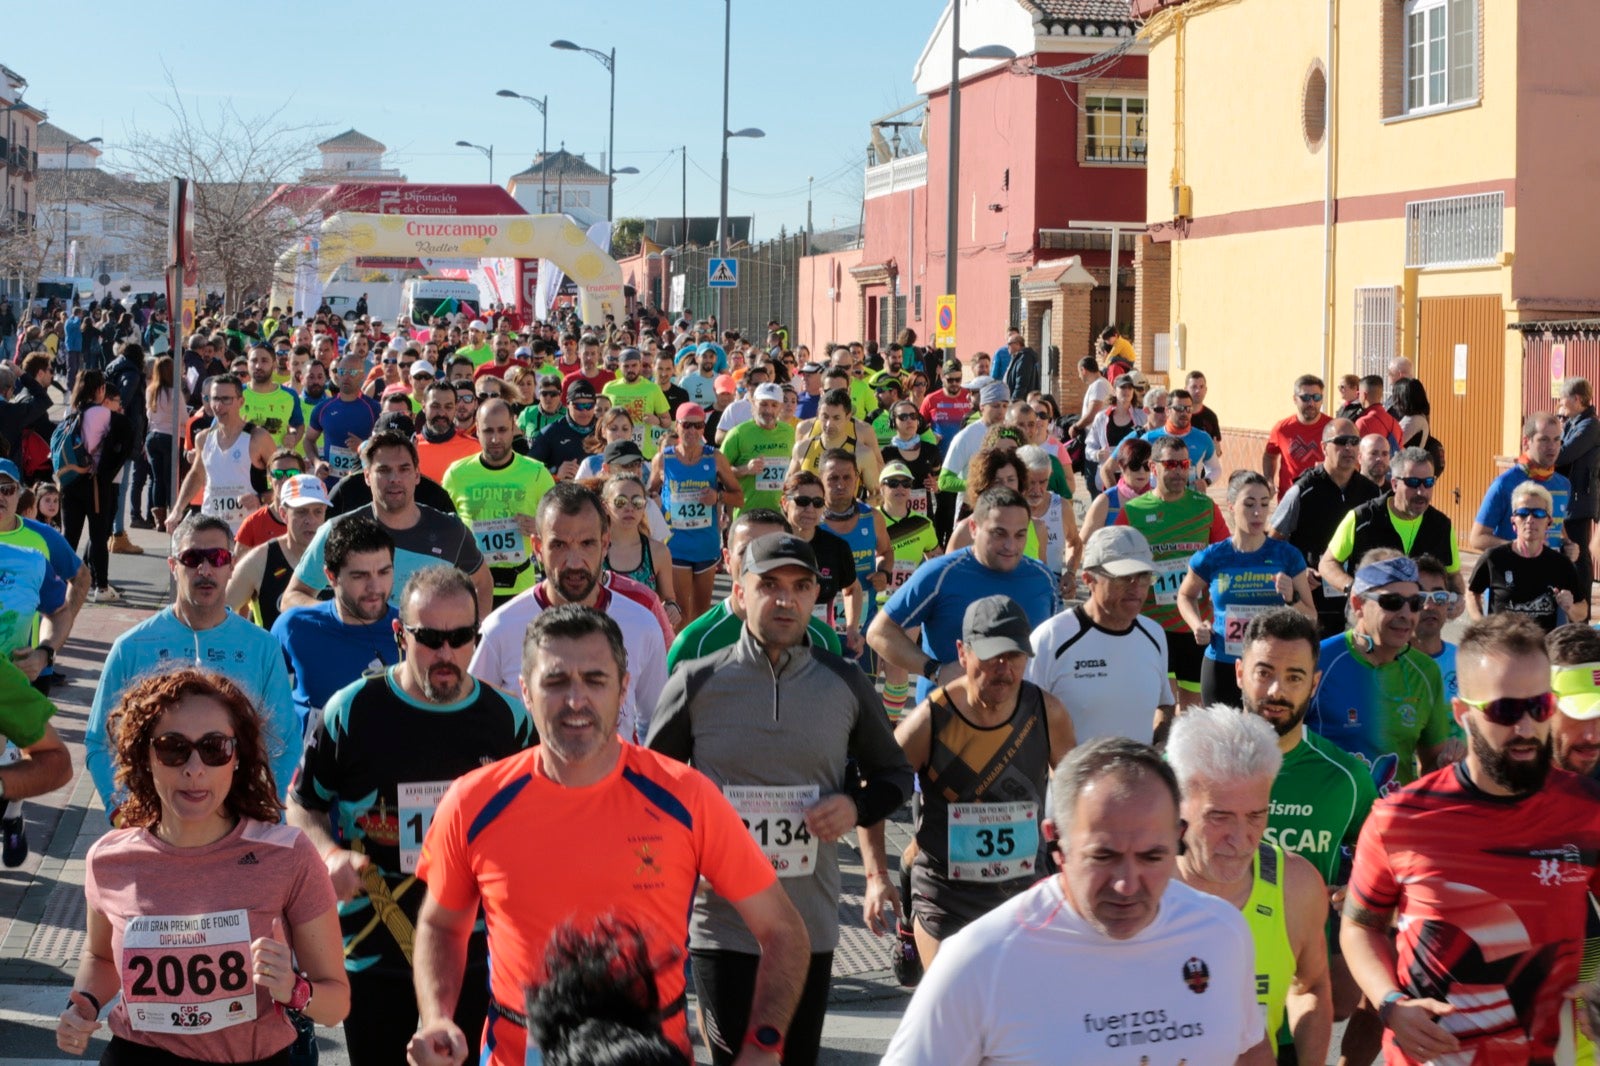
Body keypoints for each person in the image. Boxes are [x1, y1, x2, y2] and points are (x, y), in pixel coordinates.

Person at [407, 605, 810, 1066]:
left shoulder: (685, 796)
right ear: (525, 692)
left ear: (623, 691)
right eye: (555, 682)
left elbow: (782, 929)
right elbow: (441, 925)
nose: (575, 700)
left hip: (649, 1051)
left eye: (595, 680)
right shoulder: (472, 801)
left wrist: (763, 1043)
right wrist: (436, 1016)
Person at [648, 533, 913, 1066]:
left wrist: (853, 808)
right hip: (721, 922)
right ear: (740, 593)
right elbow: (652, 794)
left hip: (809, 922)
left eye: (800, 586)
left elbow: (895, 776)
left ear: (818, 595)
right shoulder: (696, 681)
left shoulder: (844, 682)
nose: (785, 599)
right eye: (768, 585)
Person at [880, 737, 1274, 1065]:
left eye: (1153, 857)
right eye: (1103, 856)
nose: (1127, 885)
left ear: (1178, 838)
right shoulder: (982, 959)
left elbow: (1249, 1049)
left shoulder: (1222, 931)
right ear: (1057, 843)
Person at [287, 566, 533, 1066]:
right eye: (429, 638)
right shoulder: (352, 710)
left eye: (460, 637)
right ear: (400, 635)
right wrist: (329, 853)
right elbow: (302, 802)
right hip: (374, 942)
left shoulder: (509, 721)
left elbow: (540, 826)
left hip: (475, 946)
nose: (445, 654)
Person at [1341, 614, 1600, 1065]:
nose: (1525, 728)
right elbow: (1361, 926)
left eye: (1538, 707)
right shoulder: (1400, 817)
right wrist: (1389, 1003)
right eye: (1504, 710)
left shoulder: (1586, 809)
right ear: (1463, 714)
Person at [57, 669, 349, 1062]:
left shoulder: (287, 854)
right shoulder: (109, 859)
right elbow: (102, 958)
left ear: (237, 757)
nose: (194, 769)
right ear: (145, 757)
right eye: (173, 749)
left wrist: (295, 989)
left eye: (214, 749)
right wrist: (84, 1006)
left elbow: (337, 1003)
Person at [861, 595, 1074, 970]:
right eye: (991, 656)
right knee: (953, 1009)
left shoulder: (1047, 712)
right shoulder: (930, 721)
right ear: (962, 653)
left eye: (1015, 657)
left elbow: (1076, 792)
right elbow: (872, 793)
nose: (1004, 670)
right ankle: (910, 930)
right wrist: (876, 876)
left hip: (1023, 894)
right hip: (946, 898)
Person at [1237, 607, 1381, 1064]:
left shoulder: (1347, 778)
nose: (1277, 690)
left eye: (1295, 676)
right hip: (1200, 1005)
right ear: (1240, 673)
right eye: (1264, 672)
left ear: (1314, 683)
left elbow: (1381, 863)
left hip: (1297, 1007)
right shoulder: (1190, 767)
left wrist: (1354, 896)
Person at [88, 515, 298, 816]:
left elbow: (285, 741)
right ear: (174, 567)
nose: (205, 569)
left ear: (231, 566)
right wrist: (125, 813)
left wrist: (263, 814)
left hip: (236, 822)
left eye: (217, 558)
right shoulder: (131, 647)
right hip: (158, 825)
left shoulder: (262, 647)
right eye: (192, 558)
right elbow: (99, 741)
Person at [1167, 705, 1333, 1065]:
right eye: (1219, 817)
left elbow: (1311, 986)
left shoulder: (1295, 884)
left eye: (1256, 816)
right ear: (1177, 805)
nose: (1241, 840)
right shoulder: (1141, 891)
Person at [470, 483, 666, 744]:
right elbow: (474, 722)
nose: (574, 562)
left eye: (587, 544)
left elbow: (655, 725)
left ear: (605, 543)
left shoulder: (642, 624)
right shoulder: (499, 629)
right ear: (537, 547)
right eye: (559, 545)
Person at [873, 485, 1060, 706]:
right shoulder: (940, 574)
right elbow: (879, 632)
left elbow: (1057, 647)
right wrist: (935, 670)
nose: (1011, 545)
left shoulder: (1043, 579)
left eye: (1020, 535)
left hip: (1019, 719)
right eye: (999, 533)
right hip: (947, 716)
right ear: (973, 528)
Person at [283, 430, 493, 618]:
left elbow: (483, 583)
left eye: (404, 469)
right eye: (384, 470)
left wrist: (472, 638)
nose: (395, 479)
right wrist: (339, 618)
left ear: (417, 475)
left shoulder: (450, 531)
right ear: (367, 476)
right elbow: (292, 597)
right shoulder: (338, 531)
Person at [1308, 551, 1455, 797]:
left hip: (1391, 826)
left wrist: (1450, 760)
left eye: (1414, 603)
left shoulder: (1425, 671)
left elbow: (1431, 765)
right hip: (1328, 830)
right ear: (1358, 605)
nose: (1407, 614)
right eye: (1392, 602)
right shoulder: (1319, 660)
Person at [1114, 435, 1231, 719]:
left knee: (1192, 711)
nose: (1179, 471)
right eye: (1171, 464)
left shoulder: (1205, 507)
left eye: (1184, 464)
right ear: (1154, 468)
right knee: (1162, 708)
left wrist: (1221, 606)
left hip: (1195, 625)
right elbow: (1116, 562)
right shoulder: (1134, 511)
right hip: (1153, 625)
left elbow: (1225, 559)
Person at [1178, 470, 1315, 707]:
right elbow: (1185, 595)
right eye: (1249, 504)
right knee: (1221, 740)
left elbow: (1311, 617)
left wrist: (1291, 598)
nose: (1257, 512)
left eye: (1264, 504)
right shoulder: (1212, 556)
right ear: (1231, 506)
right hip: (1223, 661)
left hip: (1271, 667)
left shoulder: (1286, 555)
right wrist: (1196, 624)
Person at [1029, 526, 1174, 743]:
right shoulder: (1050, 638)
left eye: (1143, 576)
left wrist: (1156, 751)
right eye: (1123, 577)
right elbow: (1026, 723)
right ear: (1088, 579)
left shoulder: (1154, 633)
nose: (1135, 589)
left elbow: (1165, 703)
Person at [667, 508, 842, 671]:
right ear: (727, 559)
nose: (758, 560)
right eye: (746, 550)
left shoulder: (823, 640)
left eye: (774, 550)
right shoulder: (693, 644)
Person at [272, 515, 401, 732]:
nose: (375, 587)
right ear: (331, 576)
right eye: (360, 576)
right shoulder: (295, 627)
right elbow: (262, 703)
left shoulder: (414, 632)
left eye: (384, 572)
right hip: (314, 762)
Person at [1269, 417, 1381, 637]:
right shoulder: (1303, 490)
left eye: (1353, 441)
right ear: (1323, 448)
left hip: (1356, 596)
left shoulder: (1372, 493)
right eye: (1341, 441)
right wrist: (1298, 570)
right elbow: (1274, 543)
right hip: (1313, 598)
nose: (1348, 448)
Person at [440, 399, 555, 610]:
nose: (495, 438)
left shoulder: (537, 473)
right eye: (488, 431)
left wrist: (540, 526)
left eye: (502, 430)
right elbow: (442, 533)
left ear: (513, 428)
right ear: (477, 431)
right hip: (470, 587)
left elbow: (559, 528)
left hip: (521, 587)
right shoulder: (456, 475)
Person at [1318, 446, 1466, 606]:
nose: (1421, 492)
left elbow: (1453, 576)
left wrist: (1458, 599)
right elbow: (1327, 564)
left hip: (1420, 624)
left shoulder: (1441, 525)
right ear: (1394, 484)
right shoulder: (1363, 518)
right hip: (1372, 621)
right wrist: (1353, 588)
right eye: (1413, 483)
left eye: (1428, 483)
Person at [648, 402, 743, 626]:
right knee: (680, 610)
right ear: (677, 427)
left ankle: (699, 656)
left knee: (702, 611)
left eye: (698, 426)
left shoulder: (715, 458)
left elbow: (738, 496)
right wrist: (654, 500)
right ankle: (681, 657)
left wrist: (718, 497)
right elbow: (648, 495)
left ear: (703, 428)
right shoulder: (663, 459)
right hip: (676, 544)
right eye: (686, 425)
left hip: (706, 544)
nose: (692, 431)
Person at [1466, 480, 1588, 630]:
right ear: (1513, 522)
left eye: (1538, 514)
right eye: (1523, 513)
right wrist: (1481, 625)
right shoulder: (1494, 558)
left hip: (1542, 649)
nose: (1530, 520)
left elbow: (1582, 611)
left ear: (1548, 522)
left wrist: (1570, 607)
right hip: (1503, 647)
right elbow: (1472, 593)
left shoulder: (1561, 564)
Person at [167, 374, 276, 538]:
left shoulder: (257, 438)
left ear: (240, 401)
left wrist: (261, 498)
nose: (218, 406)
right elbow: (197, 475)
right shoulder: (203, 439)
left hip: (249, 529)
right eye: (214, 399)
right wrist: (178, 509)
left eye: (226, 399)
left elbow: (285, 478)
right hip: (213, 527)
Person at [225, 474, 328, 632]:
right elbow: (219, 612)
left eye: (318, 512)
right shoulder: (260, 559)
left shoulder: (340, 555)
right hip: (274, 655)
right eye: (301, 512)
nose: (310, 520)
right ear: (284, 514)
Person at [599, 472, 680, 625]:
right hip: (601, 639)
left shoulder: (658, 552)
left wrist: (672, 608)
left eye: (637, 502)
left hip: (643, 640)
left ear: (644, 506)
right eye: (621, 502)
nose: (630, 508)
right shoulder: (594, 551)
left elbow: (669, 599)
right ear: (605, 506)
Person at [720, 383, 796, 516]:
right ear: (753, 403)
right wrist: (745, 469)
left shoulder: (790, 432)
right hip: (747, 514)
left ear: (780, 407)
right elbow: (718, 473)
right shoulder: (738, 433)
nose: (769, 410)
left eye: (774, 405)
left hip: (780, 514)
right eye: (763, 404)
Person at [1557, 376, 1600, 604]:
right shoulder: (1572, 422)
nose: (1560, 404)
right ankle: (1573, 604)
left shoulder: (1590, 425)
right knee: (1570, 554)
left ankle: (1581, 609)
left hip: (1579, 500)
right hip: (1568, 498)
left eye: (1564, 400)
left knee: (1579, 556)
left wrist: (1550, 448)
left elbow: (1564, 453)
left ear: (1577, 399)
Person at [1263, 374, 1332, 498]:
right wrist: (1269, 480)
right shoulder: (1282, 428)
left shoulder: (1333, 427)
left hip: (1325, 498)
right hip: (1290, 500)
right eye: (1305, 397)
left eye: (1316, 397)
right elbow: (1269, 456)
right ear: (1295, 399)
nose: (1311, 403)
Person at [528, 378, 602, 480]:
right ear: (567, 404)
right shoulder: (550, 433)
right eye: (579, 406)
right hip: (563, 492)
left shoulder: (605, 430)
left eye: (589, 406)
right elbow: (530, 472)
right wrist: (555, 474)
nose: (584, 411)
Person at [1411, 553, 1461, 700]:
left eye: (1439, 596)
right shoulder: (1388, 664)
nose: (1429, 606)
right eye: (1420, 597)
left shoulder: (1464, 661)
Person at [238, 343, 305, 451]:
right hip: (242, 463)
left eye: (264, 361)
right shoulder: (235, 393)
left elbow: (299, 425)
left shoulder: (290, 396)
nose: (258, 366)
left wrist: (294, 438)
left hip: (276, 463)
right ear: (247, 364)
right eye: (254, 361)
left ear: (274, 365)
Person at [413, 382, 481, 485]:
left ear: (455, 407)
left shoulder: (474, 449)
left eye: (448, 407)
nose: (441, 413)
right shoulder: (411, 448)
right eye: (435, 406)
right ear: (423, 406)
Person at [1081, 436, 1153, 531]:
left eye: (1147, 466)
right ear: (1121, 467)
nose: (1142, 471)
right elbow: (1083, 543)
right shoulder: (1105, 502)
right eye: (1134, 465)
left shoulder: (1160, 497)